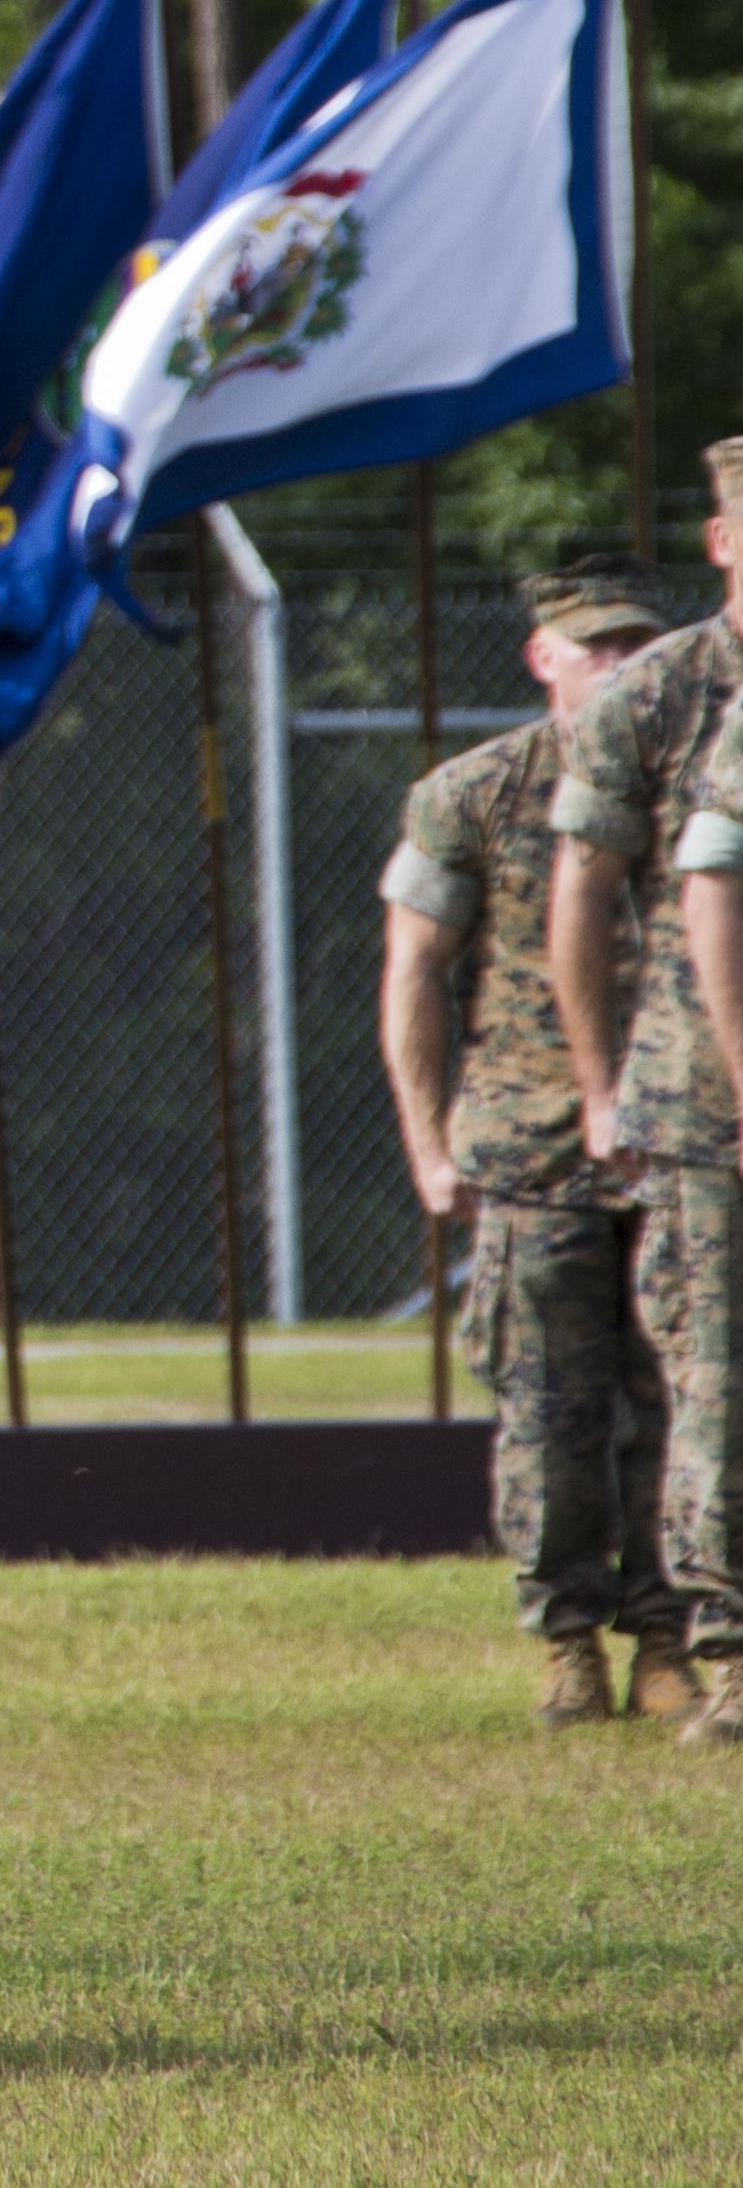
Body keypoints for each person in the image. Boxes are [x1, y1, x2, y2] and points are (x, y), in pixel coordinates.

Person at [386, 555, 685, 1726]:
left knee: (683, 1409)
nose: (615, 666)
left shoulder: (698, 779)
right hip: (528, 1150)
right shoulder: (471, 791)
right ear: (539, 658)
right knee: (551, 1413)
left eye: (633, 645)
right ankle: (567, 1638)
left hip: (678, 1147)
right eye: (591, 647)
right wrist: (427, 1142)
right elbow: (410, 970)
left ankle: (669, 1633)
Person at [583, 450, 743, 1749]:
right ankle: (731, 1647)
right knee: (716, 1377)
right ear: (715, 535)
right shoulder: (655, 691)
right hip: (701, 1096)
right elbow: (585, 897)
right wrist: (597, 1082)